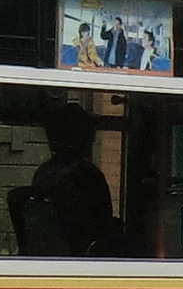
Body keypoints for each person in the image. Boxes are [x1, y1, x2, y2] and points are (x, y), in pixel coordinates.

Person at [29, 107, 119, 256]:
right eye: (89, 132)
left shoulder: (44, 172)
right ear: (79, 135)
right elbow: (104, 227)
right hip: (83, 259)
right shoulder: (87, 174)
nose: (93, 139)